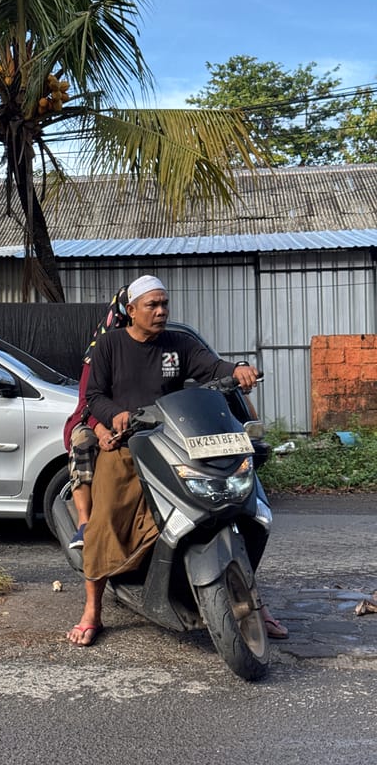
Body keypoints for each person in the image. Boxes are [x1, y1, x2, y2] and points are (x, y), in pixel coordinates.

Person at [67, 274, 288, 646]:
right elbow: (94, 396)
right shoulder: (109, 346)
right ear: (131, 310)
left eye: (164, 304)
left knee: (231, 508)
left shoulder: (179, 345)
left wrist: (235, 370)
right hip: (127, 442)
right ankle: (92, 610)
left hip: (173, 440)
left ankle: (254, 601)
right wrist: (115, 415)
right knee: (105, 520)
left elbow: (211, 367)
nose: (160, 311)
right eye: (152, 305)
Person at [62, 286, 130, 550]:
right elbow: (88, 401)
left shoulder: (156, 348)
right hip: (97, 420)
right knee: (83, 441)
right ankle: (83, 522)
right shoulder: (101, 351)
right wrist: (101, 430)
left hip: (140, 420)